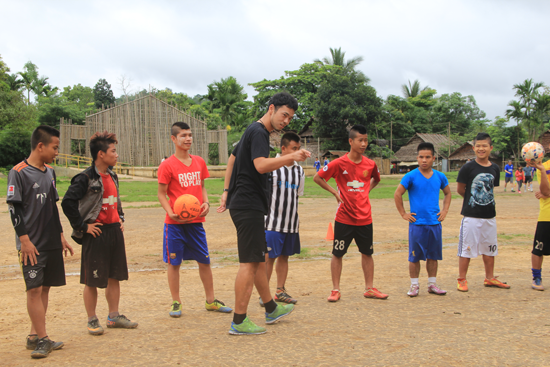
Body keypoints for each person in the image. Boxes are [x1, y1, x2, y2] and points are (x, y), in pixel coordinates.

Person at [217, 92, 310, 335]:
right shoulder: (259, 132)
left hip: (246, 203)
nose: (286, 121)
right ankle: (239, 321)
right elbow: (259, 165)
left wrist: (227, 190)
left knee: (258, 259)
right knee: (249, 263)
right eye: (284, 115)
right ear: (272, 109)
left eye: (290, 118)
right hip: (248, 205)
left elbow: (231, 160)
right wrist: (290, 156)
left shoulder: (252, 131)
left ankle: (271, 307)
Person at [62, 131, 138, 336]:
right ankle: (92, 319)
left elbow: (114, 201)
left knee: (114, 277)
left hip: (113, 232)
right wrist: (82, 226)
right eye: (113, 151)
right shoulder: (85, 178)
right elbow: (67, 203)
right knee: (92, 280)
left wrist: (119, 219)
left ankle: (114, 316)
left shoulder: (113, 175)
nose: (116, 155)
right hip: (95, 234)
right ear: (101, 154)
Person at [7, 126, 74, 358]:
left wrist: (61, 236)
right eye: (55, 147)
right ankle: (43, 340)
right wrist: (24, 241)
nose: (57, 151)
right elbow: (14, 210)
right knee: (34, 289)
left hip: (51, 241)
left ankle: (35, 335)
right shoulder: (18, 172)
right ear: (40, 146)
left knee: (45, 288)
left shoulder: (50, 172)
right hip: (31, 244)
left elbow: (52, 207)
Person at [157, 122, 232, 318]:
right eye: (183, 135)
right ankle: (176, 302)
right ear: (174, 139)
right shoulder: (167, 165)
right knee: (174, 264)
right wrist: (170, 211)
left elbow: (202, 187)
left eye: (190, 135)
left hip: (196, 223)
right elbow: (161, 194)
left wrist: (205, 203)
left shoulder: (199, 162)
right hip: (174, 224)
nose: (188, 138)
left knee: (204, 261)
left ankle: (211, 301)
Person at [313, 124, 388, 302]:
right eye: (360, 140)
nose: (364, 144)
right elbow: (318, 177)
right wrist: (334, 192)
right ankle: (335, 290)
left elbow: (376, 179)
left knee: (367, 253)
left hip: (365, 218)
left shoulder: (370, 164)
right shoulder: (339, 163)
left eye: (366, 140)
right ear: (350, 141)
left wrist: (365, 192)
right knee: (338, 253)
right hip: (344, 218)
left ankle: (369, 288)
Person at [394, 142, 451, 297]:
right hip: (417, 224)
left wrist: (444, 210)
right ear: (417, 158)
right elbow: (397, 194)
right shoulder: (410, 176)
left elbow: (448, 193)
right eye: (421, 157)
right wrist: (403, 214)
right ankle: (414, 285)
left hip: (434, 223)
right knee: (415, 256)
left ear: (433, 158)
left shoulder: (440, 176)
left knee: (433, 256)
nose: (424, 160)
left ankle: (432, 284)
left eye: (427, 157)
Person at [456, 132, 510, 292]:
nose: (481, 148)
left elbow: (491, 189)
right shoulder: (468, 167)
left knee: (490, 248)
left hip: (489, 216)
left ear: (490, 148)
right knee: (467, 248)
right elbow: (461, 189)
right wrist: (472, 199)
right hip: (471, 217)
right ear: (473, 148)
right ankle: (462, 279)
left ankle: (490, 278)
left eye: (484, 145)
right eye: (478, 146)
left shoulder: (494, 168)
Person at [263, 132, 305, 306]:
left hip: (291, 223)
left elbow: (298, 194)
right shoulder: (271, 168)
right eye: (293, 149)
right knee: (269, 258)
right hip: (272, 222)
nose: (297, 152)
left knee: (285, 256)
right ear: (283, 149)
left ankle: (280, 290)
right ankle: (263, 294)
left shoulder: (299, 170)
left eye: (298, 148)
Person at [528, 157, 550, 290]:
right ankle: (536, 278)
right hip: (546, 215)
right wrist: (541, 169)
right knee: (538, 248)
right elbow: (546, 191)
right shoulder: (544, 166)